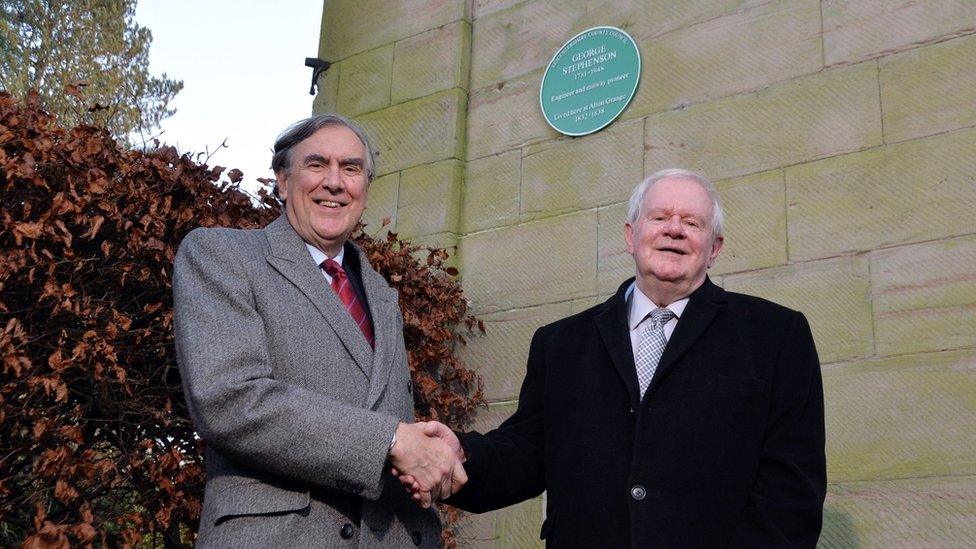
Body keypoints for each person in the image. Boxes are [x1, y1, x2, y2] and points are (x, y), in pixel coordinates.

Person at [403, 168, 826, 547]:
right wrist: (461, 457)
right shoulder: (562, 343)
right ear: (630, 235)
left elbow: (791, 490)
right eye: (659, 217)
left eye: (692, 222)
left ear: (714, 248)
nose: (674, 230)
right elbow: (527, 452)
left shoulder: (775, 336)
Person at [173, 114, 465, 548]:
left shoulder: (383, 296)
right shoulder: (221, 255)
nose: (334, 182)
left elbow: (381, 417)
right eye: (316, 164)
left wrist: (431, 455)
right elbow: (230, 398)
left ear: (364, 189)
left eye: (350, 168)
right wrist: (391, 440)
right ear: (283, 180)